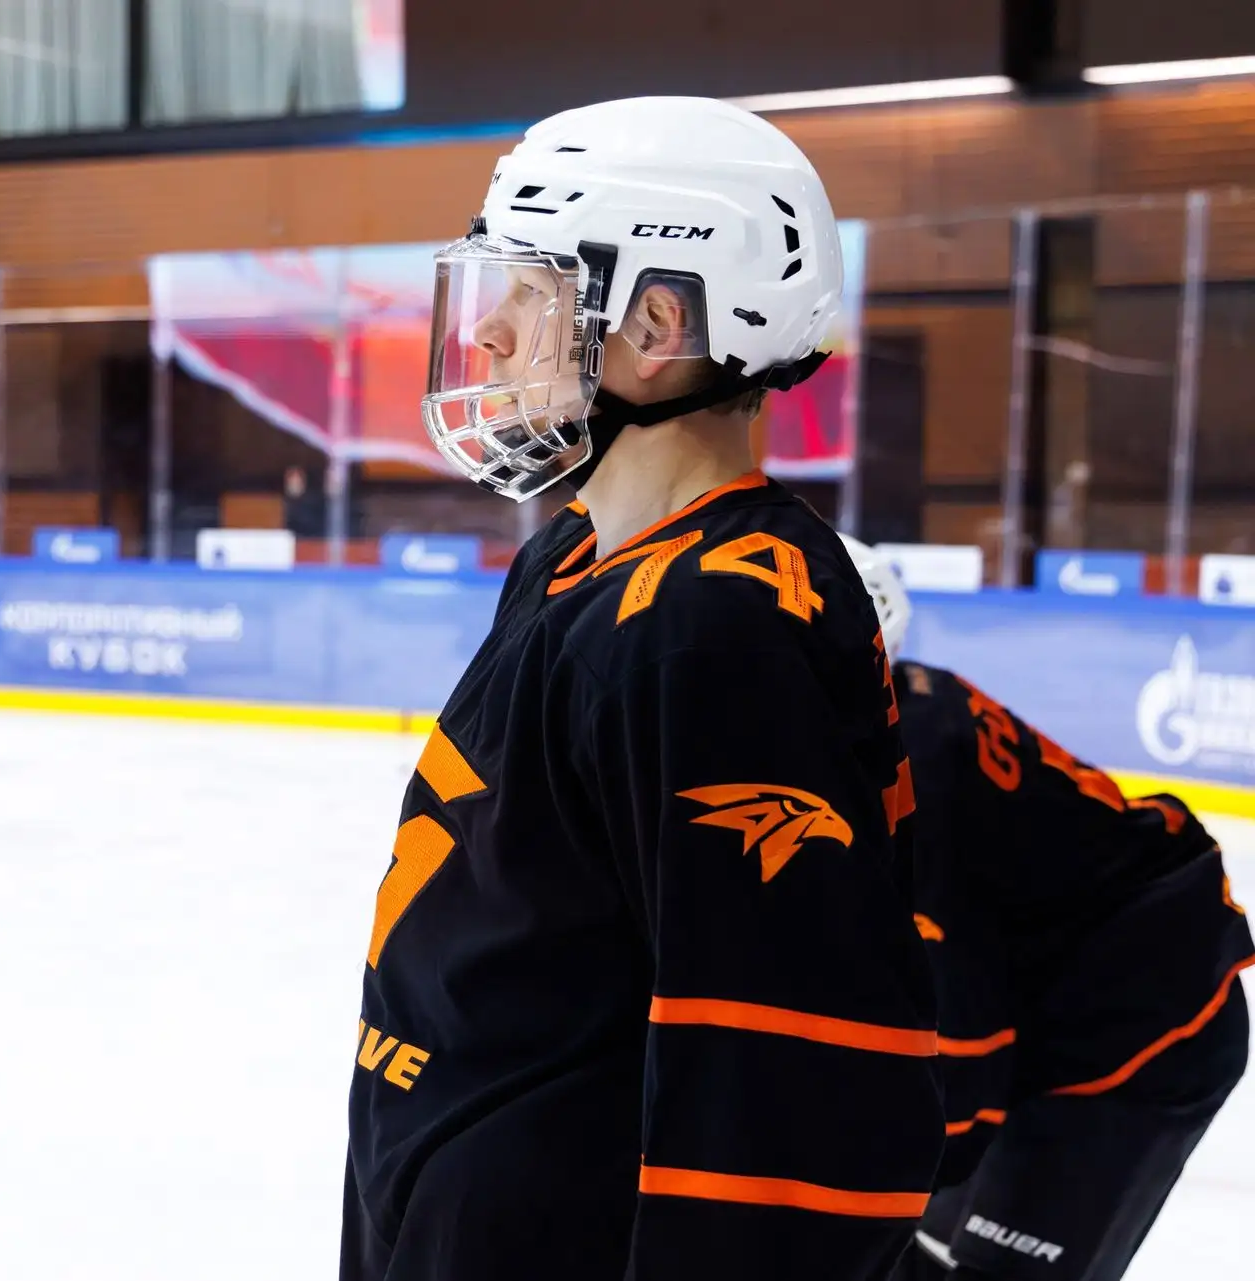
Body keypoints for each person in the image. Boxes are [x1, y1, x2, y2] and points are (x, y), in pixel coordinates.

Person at [341, 96, 944, 1281]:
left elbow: (791, 1082)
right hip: (454, 1194)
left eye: (530, 291)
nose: (490, 334)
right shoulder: (577, 557)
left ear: (659, 322)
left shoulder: (710, 628)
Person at [838, 537, 1253, 1281]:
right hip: (1045, 1009)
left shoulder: (907, 778)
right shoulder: (891, 712)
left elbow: (961, 1034)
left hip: (1138, 1033)